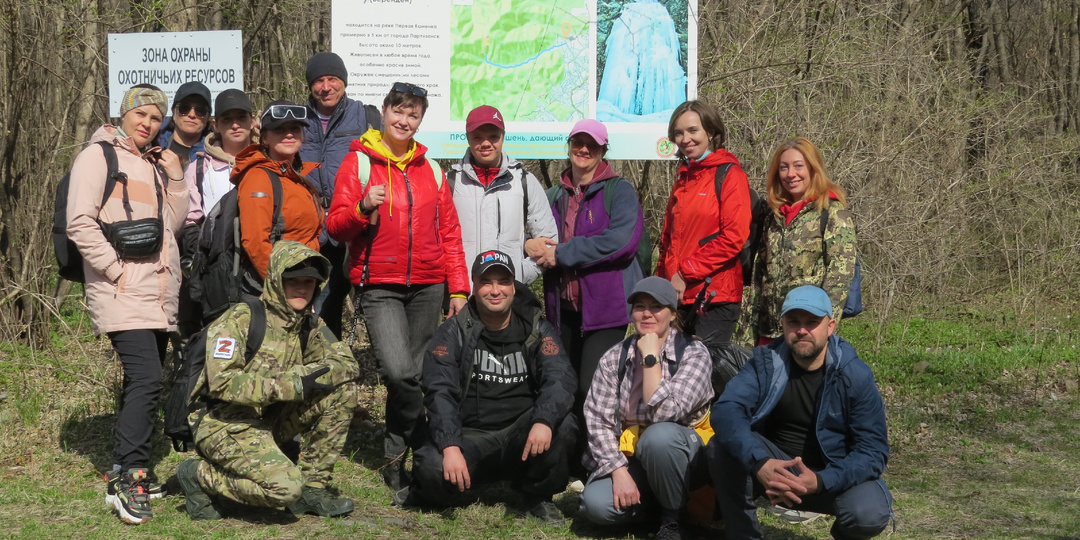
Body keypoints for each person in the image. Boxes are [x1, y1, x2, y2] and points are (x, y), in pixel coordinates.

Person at [326, 81, 469, 491]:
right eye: (399, 111)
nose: (405, 120)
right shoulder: (359, 164)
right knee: (399, 372)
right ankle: (416, 440)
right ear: (384, 111)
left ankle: (396, 458)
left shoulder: (433, 170)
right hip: (379, 286)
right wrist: (361, 206)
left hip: (428, 285)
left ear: (420, 120)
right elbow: (336, 227)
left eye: (413, 114)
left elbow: (451, 235)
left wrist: (458, 290)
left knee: (420, 374)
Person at [65, 84, 187, 524]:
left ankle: (123, 464)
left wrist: (174, 176)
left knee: (142, 380)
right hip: (122, 289)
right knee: (148, 378)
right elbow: (79, 222)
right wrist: (116, 270)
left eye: (157, 118)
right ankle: (129, 478)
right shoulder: (98, 156)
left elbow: (170, 226)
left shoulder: (154, 163)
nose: (149, 124)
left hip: (156, 292)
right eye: (142, 115)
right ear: (124, 114)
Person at [176, 241, 360, 521]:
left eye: (309, 282)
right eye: (293, 281)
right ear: (276, 281)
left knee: (342, 391)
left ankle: (314, 487)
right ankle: (199, 475)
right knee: (285, 490)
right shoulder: (241, 319)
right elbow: (222, 383)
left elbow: (348, 365)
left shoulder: (309, 325)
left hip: (268, 419)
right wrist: (294, 383)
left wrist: (313, 375)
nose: (301, 288)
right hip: (223, 422)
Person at [398, 250, 577, 525]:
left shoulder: (537, 328)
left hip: (522, 434)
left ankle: (536, 496)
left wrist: (543, 420)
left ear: (513, 286)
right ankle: (438, 487)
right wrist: (449, 446)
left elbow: (559, 377)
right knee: (432, 468)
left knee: (563, 426)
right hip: (470, 436)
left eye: (503, 282)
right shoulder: (453, 331)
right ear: (474, 285)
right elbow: (439, 391)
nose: (495, 290)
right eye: (486, 282)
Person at [709, 285, 892, 539]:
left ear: (830, 327)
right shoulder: (765, 363)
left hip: (830, 476)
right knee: (722, 444)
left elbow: (873, 452)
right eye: (794, 322)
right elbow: (726, 410)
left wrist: (820, 480)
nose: (802, 330)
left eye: (812, 322)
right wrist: (760, 461)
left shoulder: (855, 375)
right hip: (774, 469)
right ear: (783, 324)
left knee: (869, 513)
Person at [578, 277, 714, 539]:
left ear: (673, 314)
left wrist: (651, 359)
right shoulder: (614, 357)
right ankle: (650, 503)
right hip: (633, 453)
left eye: (657, 306)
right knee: (595, 505)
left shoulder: (694, 353)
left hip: (684, 453)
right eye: (640, 307)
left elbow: (665, 413)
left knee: (658, 437)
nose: (647, 314)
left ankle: (673, 519)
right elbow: (598, 420)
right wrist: (618, 471)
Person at [538, 118, 644, 443]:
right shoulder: (553, 196)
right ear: (569, 146)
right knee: (563, 384)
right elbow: (533, 237)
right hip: (563, 311)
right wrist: (531, 244)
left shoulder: (619, 191)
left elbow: (622, 242)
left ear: (602, 151)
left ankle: (600, 458)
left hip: (607, 311)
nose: (583, 150)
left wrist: (565, 252)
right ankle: (569, 460)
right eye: (577, 143)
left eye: (592, 145)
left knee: (592, 385)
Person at [300, 51, 382, 338]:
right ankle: (324, 366)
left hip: (353, 223)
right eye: (318, 81)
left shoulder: (365, 116)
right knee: (319, 302)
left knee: (367, 298)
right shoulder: (298, 119)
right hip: (310, 228)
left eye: (332, 79)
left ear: (343, 82)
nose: (326, 87)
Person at [656, 100, 751, 346]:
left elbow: (734, 237)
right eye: (678, 133)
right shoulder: (683, 179)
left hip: (714, 298)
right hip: (677, 297)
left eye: (693, 130)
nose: (685, 138)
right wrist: (660, 286)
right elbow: (668, 241)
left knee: (703, 377)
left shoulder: (730, 174)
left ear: (710, 132)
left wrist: (685, 273)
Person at [754, 137, 857, 344]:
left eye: (798, 166)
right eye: (784, 167)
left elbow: (839, 277)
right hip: (769, 332)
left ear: (813, 169)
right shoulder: (772, 217)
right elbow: (759, 277)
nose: (791, 174)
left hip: (806, 332)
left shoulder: (832, 212)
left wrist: (825, 329)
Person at [176, 88, 258, 337]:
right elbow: (190, 217)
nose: (235, 125)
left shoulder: (266, 160)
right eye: (227, 119)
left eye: (241, 117)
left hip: (257, 260)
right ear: (215, 124)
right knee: (218, 334)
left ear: (252, 120)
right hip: (215, 267)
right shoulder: (199, 167)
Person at [449, 105, 558, 285]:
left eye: (493, 136)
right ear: (467, 138)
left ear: (503, 136)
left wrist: (519, 277)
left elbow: (549, 243)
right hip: (464, 295)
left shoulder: (525, 181)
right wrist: (455, 288)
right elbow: (437, 243)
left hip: (510, 298)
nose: (485, 143)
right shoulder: (450, 183)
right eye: (477, 137)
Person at [234, 99, 323, 288]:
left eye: (295, 128)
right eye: (279, 129)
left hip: (303, 280)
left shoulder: (298, 175)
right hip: (275, 287)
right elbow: (255, 243)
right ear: (264, 138)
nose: (289, 134)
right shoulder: (258, 177)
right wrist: (281, 286)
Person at [157, 80, 212, 171]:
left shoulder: (215, 153)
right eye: (184, 108)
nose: (192, 114)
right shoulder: (153, 144)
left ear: (208, 117)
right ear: (174, 111)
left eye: (200, 110)